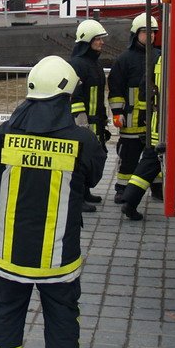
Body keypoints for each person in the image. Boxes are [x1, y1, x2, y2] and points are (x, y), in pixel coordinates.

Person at [0, 56, 106, 348]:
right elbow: (93, 178)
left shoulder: (3, 135)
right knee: (62, 319)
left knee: (6, 315)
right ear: (65, 95)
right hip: (58, 260)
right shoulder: (83, 142)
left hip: (7, 258)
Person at [107, 13, 154, 205]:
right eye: (146, 32)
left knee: (154, 156)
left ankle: (157, 187)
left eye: (153, 33)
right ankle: (122, 189)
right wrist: (117, 113)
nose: (150, 36)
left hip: (153, 118)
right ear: (136, 34)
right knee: (129, 156)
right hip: (131, 118)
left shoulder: (159, 56)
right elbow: (116, 87)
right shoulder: (124, 59)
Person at [69, 18, 110, 212]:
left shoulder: (94, 64)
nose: (101, 42)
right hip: (83, 123)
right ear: (87, 41)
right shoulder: (77, 65)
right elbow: (74, 96)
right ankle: (77, 198)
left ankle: (85, 192)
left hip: (96, 122)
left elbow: (98, 96)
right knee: (79, 162)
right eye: (98, 39)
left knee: (90, 159)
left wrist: (103, 119)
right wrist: (81, 123)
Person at [119, 48, 164, 221]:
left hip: (156, 123)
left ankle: (130, 201)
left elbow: (144, 90)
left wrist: (147, 116)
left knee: (151, 160)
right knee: (152, 161)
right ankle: (131, 201)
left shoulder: (156, 59)